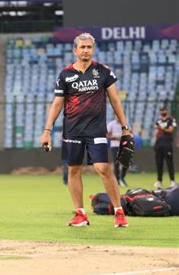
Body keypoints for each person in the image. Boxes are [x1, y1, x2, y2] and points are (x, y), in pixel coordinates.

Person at [40, 33, 131, 228]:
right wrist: (47, 130)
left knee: (103, 168)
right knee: (73, 169)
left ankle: (119, 212)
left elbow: (115, 100)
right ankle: (80, 214)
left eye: (89, 47)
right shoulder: (65, 74)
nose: (85, 50)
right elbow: (57, 104)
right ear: (75, 50)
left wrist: (125, 128)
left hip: (96, 130)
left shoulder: (103, 71)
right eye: (82, 47)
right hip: (71, 131)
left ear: (93, 49)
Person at [153, 107, 176, 189]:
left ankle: (172, 181)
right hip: (159, 145)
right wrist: (154, 143)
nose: (163, 112)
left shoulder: (171, 120)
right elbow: (156, 133)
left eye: (164, 110)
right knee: (159, 163)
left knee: (169, 163)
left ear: (167, 111)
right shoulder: (158, 121)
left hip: (167, 145)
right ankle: (159, 181)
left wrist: (162, 128)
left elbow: (171, 130)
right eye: (161, 110)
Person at [107, 114, 129, 187]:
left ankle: (122, 178)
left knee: (126, 162)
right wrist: (116, 138)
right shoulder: (111, 124)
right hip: (115, 146)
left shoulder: (125, 123)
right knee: (117, 163)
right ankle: (117, 180)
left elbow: (129, 132)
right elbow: (107, 135)